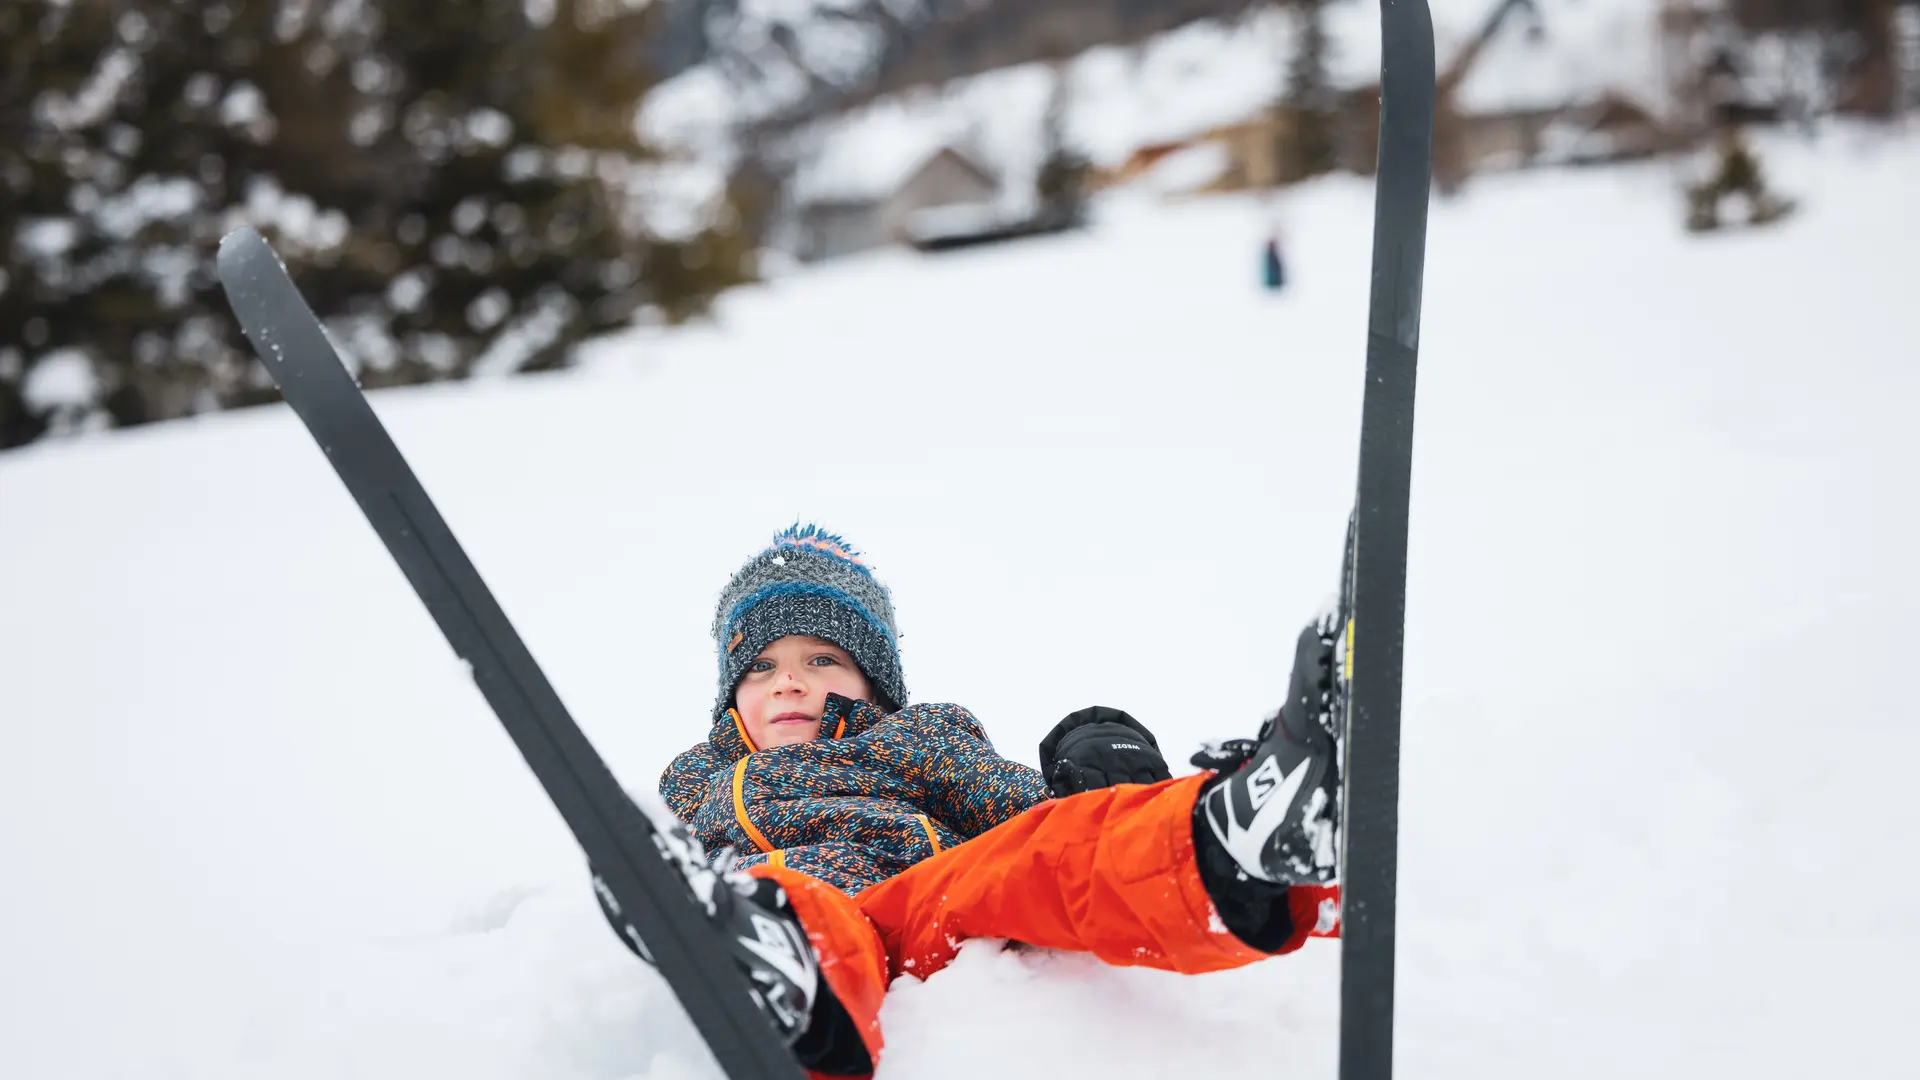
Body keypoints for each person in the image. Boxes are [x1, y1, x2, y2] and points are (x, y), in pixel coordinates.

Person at [611, 524, 1343, 1078]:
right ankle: (779, 976)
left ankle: (1242, 845)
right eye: (761, 666)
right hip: (788, 912)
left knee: (1038, 858)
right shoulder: (695, 779)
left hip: (923, 904)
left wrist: (1099, 778)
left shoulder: (917, 740)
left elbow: (1028, 814)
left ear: (874, 685)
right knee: (787, 904)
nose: (789, 682)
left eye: (822, 659)